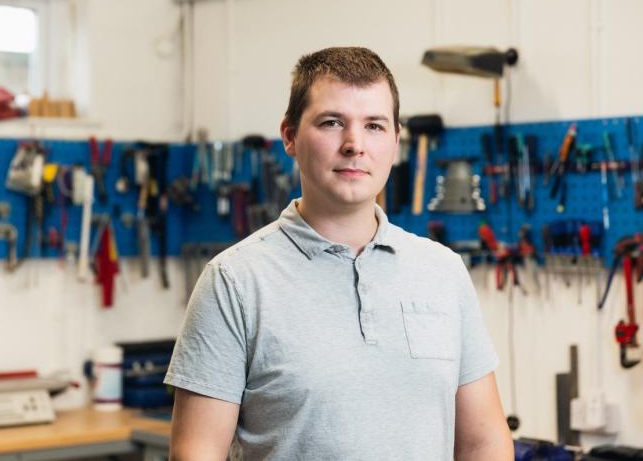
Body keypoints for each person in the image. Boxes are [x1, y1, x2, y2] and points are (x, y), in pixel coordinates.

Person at [165, 47, 513, 460]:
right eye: (332, 123)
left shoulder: (442, 271)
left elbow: (484, 442)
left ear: (397, 141)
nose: (354, 144)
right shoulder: (234, 281)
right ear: (290, 136)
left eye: (375, 126)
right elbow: (196, 453)